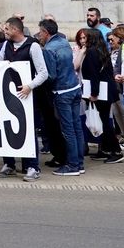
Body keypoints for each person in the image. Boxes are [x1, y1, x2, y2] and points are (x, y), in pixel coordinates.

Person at [0, 18, 48, 181]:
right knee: (7, 127)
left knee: (29, 131)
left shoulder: (33, 46)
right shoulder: (6, 45)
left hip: (28, 96)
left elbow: (43, 72)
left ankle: (32, 166)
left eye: (7, 29)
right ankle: (9, 164)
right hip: (9, 95)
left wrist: (29, 86)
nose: (5, 32)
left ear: (16, 30)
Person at [38, 19, 83, 176]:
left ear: (46, 32)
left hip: (62, 91)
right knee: (76, 127)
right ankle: (79, 163)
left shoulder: (49, 49)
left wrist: (37, 80)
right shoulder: (64, 42)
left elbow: (50, 75)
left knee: (68, 129)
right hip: (75, 87)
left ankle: (72, 165)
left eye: (40, 32)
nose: (39, 36)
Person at [80, 27, 121, 164]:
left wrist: (93, 93)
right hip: (107, 90)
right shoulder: (101, 51)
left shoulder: (92, 52)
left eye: (86, 37)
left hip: (100, 92)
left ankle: (116, 150)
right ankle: (105, 149)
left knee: (105, 122)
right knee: (104, 120)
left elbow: (94, 75)